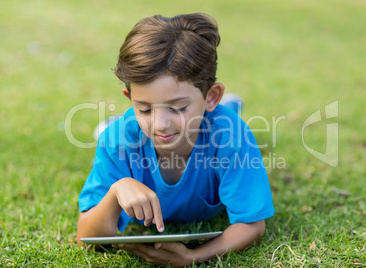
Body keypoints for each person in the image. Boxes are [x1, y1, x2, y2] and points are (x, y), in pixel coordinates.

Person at [77, 13, 275, 267]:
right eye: (145, 109)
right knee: (123, 128)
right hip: (145, 126)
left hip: (215, 118)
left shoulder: (231, 137)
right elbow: (86, 236)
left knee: (222, 118)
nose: (160, 124)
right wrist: (116, 192)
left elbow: (252, 225)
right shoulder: (117, 140)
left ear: (211, 96)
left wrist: (193, 257)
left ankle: (228, 105)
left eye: (178, 107)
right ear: (129, 99)